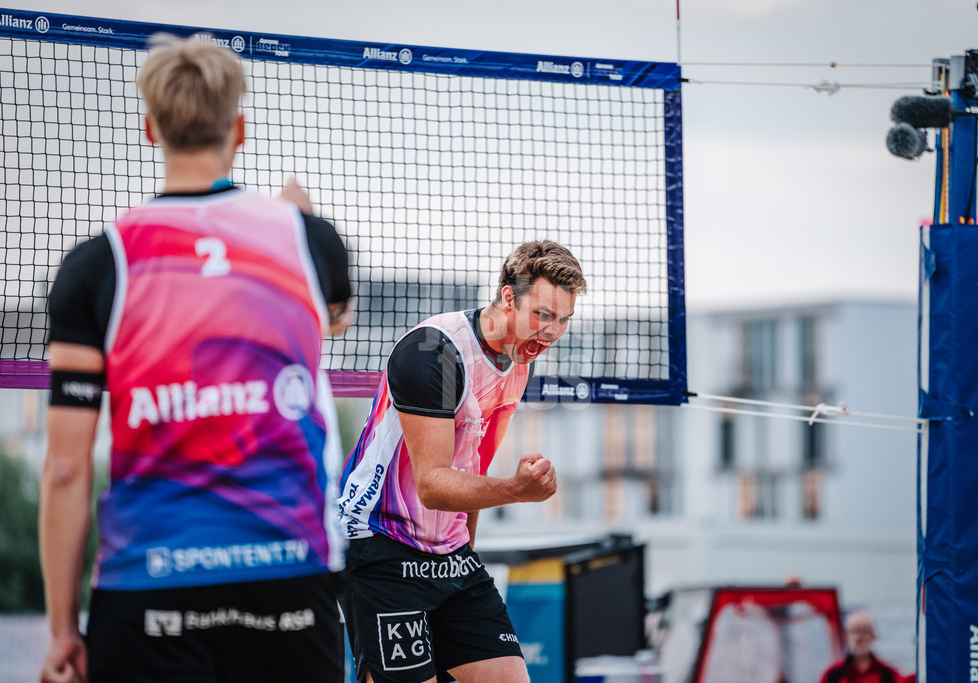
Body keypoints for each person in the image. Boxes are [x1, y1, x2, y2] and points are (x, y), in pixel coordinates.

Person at [39, 33, 352, 683]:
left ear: (151, 128)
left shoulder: (99, 264)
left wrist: (64, 629)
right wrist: (301, 224)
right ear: (238, 128)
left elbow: (66, 469)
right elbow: (336, 319)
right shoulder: (310, 242)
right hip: (289, 576)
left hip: (149, 584)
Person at [337, 240, 587, 683]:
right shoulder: (433, 351)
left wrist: (465, 550)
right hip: (381, 542)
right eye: (543, 315)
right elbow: (433, 484)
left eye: (563, 321)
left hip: (448, 553)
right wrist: (518, 491)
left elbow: (474, 470)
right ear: (509, 297)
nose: (551, 332)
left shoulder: (518, 364)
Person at [819, 610, 903, 683]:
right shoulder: (832, 675)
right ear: (845, 636)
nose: (860, 637)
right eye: (855, 631)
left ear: (874, 636)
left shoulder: (889, 674)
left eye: (865, 631)